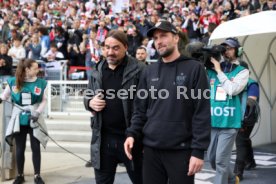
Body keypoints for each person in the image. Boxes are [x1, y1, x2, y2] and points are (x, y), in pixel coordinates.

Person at [124, 20, 211, 184]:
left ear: (176, 38)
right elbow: (140, 110)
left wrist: (198, 152)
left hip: (182, 151)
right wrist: (132, 134)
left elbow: (202, 112)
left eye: (163, 35)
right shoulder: (149, 71)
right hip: (151, 150)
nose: (159, 41)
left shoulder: (194, 68)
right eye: (155, 38)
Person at [83, 30, 145, 184]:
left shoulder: (140, 69)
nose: (110, 52)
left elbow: (146, 105)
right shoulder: (97, 69)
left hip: (133, 139)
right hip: (103, 140)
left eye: (115, 48)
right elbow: (87, 95)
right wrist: (89, 102)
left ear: (125, 47)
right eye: (107, 47)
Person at [207, 37, 249, 184]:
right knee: (213, 160)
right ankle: (232, 179)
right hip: (213, 121)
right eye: (224, 48)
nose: (226, 51)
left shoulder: (242, 71)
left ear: (237, 51)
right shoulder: (211, 71)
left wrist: (219, 70)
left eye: (230, 48)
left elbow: (232, 90)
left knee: (220, 161)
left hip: (230, 122)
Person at [0, 59, 48, 184]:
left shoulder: (41, 83)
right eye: (35, 68)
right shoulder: (13, 82)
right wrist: (0, 98)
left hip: (34, 117)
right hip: (19, 119)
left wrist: (37, 112)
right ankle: (20, 175)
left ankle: (37, 175)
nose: (38, 70)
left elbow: (44, 100)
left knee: (35, 147)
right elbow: (4, 96)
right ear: (27, 69)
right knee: (20, 148)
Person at [234, 62, 260, 181]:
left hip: (246, 118)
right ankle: (250, 162)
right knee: (244, 139)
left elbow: (251, 102)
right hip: (236, 117)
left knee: (240, 140)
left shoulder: (251, 83)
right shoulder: (234, 84)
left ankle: (238, 173)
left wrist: (243, 119)